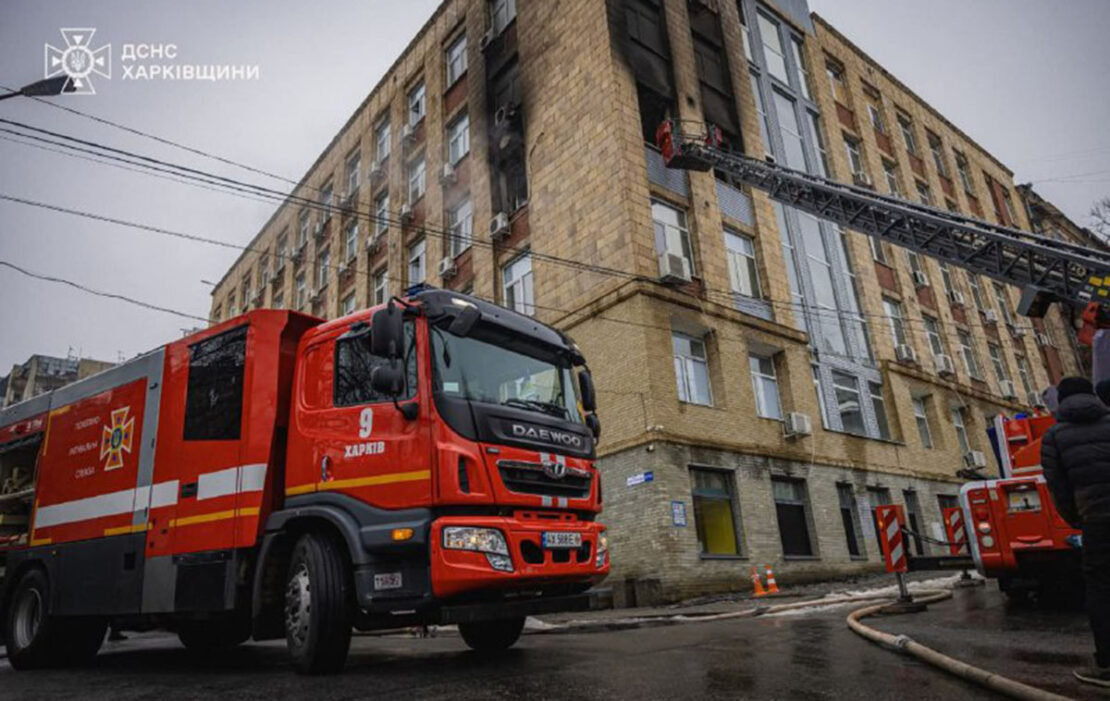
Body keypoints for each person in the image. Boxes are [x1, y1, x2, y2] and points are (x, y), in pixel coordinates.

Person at [1041, 376, 1110, 688]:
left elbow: (1058, 487)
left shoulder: (1055, 435)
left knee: (1101, 589)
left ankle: (1107, 665)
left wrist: (1077, 519)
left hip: (1096, 519)